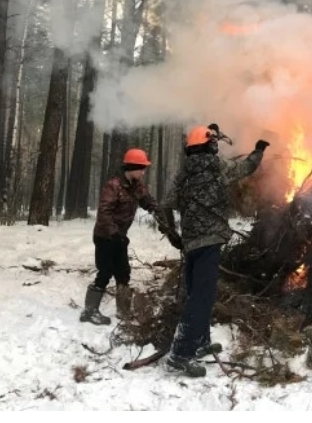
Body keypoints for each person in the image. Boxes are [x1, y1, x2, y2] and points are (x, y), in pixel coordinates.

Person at [161, 124, 269, 377]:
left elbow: (167, 203)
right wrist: (258, 150)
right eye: (213, 143)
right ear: (209, 146)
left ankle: (200, 342)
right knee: (202, 297)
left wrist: (173, 234)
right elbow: (246, 167)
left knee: (196, 293)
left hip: (190, 243)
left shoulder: (184, 172)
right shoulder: (215, 165)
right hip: (209, 242)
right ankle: (181, 354)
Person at [80, 147, 182, 326]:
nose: (143, 172)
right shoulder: (114, 186)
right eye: (141, 168)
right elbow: (104, 213)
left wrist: (161, 218)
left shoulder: (137, 186)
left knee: (123, 273)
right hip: (105, 236)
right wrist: (114, 234)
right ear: (131, 168)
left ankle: (123, 311)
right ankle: (89, 311)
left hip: (120, 237)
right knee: (105, 272)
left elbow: (148, 201)